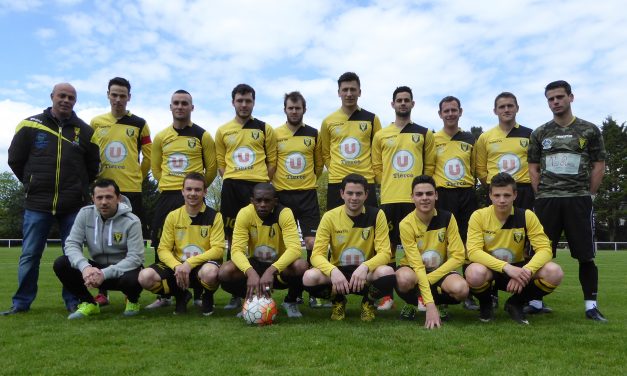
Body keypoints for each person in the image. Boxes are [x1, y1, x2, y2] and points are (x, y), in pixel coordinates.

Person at [3, 83, 100, 315]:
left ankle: (74, 300)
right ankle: (21, 303)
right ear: (52, 97)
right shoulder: (30, 125)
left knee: (72, 257)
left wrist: (78, 188)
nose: (66, 100)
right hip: (37, 203)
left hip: (72, 205)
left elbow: (93, 168)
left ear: (75, 101)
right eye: (62, 96)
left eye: (71, 97)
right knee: (30, 254)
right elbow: (15, 160)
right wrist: (32, 184)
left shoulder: (86, 132)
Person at [528, 80, 607, 322]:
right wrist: (540, 193)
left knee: (585, 255)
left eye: (560, 97)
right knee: (540, 253)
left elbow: (599, 164)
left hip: (578, 200)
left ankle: (591, 306)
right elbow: (533, 167)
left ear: (570, 97)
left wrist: (589, 194)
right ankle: (535, 302)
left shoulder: (589, 130)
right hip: (547, 201)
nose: (555, 102)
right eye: (551, 99)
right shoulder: (540, 133)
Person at [474, 92, 546, 312]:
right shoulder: (486, 137)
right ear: (495, 110)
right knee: (492, 240)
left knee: (527, 244)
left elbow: (536, 164)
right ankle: (492, 293)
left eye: (510, 106)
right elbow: (480, 168)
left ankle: (532, 297)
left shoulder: (530, 134)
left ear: (517, 108)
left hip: (524, 189)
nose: (506, 110)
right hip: (499, 191)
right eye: (502, 106)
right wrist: (497, 189)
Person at [148, 89, 217, 309]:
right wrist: (173, 186)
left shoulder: (202, 135)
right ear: (170, 107)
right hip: (169, 195)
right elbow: (156, 168)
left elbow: (212, 167)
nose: (180, 106)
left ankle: (199, 292)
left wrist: (195, 189)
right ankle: (167, 296)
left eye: (184, 103)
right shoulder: (161, 137)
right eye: (176, 103)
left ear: (192, 107)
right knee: (163, 244)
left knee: (199, 243)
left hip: (193, 195)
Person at [465, 172, 564, 324]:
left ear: (515, 195)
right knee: (473, 273)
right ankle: (486, 304)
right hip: (491, 269)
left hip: (519, 268)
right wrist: (506, 268)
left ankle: (516, 303)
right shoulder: (479, 216)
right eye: (497, 195)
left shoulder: (527, 216)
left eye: (506, 195)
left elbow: (545, 249)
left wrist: (527, 271)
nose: (502, 200)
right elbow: (473, 252)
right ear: (490, 195)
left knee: (555, 272)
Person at [371, 86, 435, 310]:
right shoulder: (381, 135)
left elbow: (429, 167)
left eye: (407, 100)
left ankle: (419, 295)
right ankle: (386, 296)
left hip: (414, 201)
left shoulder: (424, 133)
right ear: (393, 104)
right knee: (387, 248)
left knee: (416, 249)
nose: (403, 103)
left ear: (412, 104)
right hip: (389, 199)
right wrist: (389, 184)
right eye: (399, 100)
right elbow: (377, 167)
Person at [90, 77, 152, 306]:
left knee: (130, 242)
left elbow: (149, 156)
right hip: (103, 189)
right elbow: (90, 155)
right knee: (99, 241)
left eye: (122, 95)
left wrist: (138, 176)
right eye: (114, 94)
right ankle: (101, 291)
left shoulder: (139, 123)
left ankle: (130, 290)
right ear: (108, 95)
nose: (118, 99)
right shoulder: (96, 122)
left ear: (129, 97)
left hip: (131, 189)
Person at [215, 83, 277, 310]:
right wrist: (232, 177)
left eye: (248, 100)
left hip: (257, 187)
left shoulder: (264, 128)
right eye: (240, 100)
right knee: (233, 238)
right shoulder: (222, 130)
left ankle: (262, 278)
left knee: (260, 233)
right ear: (233, 102)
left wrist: (260, 181)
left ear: (253, 102)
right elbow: (221, 163)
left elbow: (272, 161)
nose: (244, 104)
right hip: (232, 186)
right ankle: (237, 289)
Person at [303, 174, 396, 322]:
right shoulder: (330, 216)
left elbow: (385, 253)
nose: (354, 198)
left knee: (387, 272)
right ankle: (338, 300)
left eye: (359, 193)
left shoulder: (377, 215)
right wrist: (332, 271)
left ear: (366, 194)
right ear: (342, 194)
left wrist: (365, 266)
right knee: (309, 277)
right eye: (350, 193)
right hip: (338, 273)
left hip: (365, 274)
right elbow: (316, 255)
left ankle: (368, 302)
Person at [52, 179, 144, 319]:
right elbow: (71, 244)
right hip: (95, 270)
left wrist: (104, 274)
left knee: (135, 276)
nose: (104, 202)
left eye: (109, 197)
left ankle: (132, 300)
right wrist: (85, 268)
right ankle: (89, 303)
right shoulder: (85, 214)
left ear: (118, 198)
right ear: (93, 198)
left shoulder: (132, 221)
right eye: (99, 197)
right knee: (61, 263)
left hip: (122, 271)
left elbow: (135, 257)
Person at [138, 172, 224, 315]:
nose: (193, 193)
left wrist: (189, 264)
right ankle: (181, 296)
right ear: (182, 191)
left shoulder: (215, 216)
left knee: (211, 273)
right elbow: (163, 249)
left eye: (197, 190)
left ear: (205, 192)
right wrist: (177, 265)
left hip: (202, 266)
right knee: (144, 277)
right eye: (189, 189)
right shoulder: (173, 216)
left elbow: (218, 250)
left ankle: (207, 297)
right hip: (178, 266)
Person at [218, 183, 308, 318]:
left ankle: (290, 301)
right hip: (256, 264)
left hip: (279, 267)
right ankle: (252, 300)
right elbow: (236, 250)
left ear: (275, 201)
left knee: (301, 266)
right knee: (225, 271)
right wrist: (250, 272)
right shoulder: (244, 213)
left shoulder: (284, 213)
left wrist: (272, 270)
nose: (262, 204)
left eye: (267, 201)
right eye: (258, 200)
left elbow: (295, 249)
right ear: (252, 201)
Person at [272, 91, 324, 307]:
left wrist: (306, 180)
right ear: (285, 109)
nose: (294, 111)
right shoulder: (274, 134)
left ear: (304, 109)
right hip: (282, 196)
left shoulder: (313, 133)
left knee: (314, 243)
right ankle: (293, 290)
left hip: (307, 195)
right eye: (290, 108)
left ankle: (312, 289)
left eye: (298, 108)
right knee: (287, 245)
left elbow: (319, 165)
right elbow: (272, 163)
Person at [395, 175, 468, 328]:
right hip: (414, 270)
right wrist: (430, 306)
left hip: (439, 269)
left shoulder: (448, 218)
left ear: (436, 195)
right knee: (403, 279)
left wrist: (431, 278)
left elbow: (459, 256)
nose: (424, 198)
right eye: (419, 194)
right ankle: (412, 303)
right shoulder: (406, 224)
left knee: (461, 289)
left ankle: (440, 304)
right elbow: (417, 265)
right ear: (412, 198)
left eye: (429, 193)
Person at [433, 96, 478, 311]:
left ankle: (471, 292)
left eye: (453, 110)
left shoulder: (470, 138)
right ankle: (443, 287)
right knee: (445, 241)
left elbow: (476, 168)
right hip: (443, 194)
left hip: (467, 194)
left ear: (460, 112)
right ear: (440, 114)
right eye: (446, 111)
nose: (450, 114)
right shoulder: (433, 139)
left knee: (470, 241)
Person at [320, 72, 381, 209]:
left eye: (353, 89)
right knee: (337, 227)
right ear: (339, 92)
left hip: (366, 180)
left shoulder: (372, 119)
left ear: (359, 92)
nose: (349, 94)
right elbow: (325, 153)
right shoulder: (328, 121)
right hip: (337, 181)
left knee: (369, 227)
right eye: (345, 90)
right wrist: (336, 169)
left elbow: (378, 152)